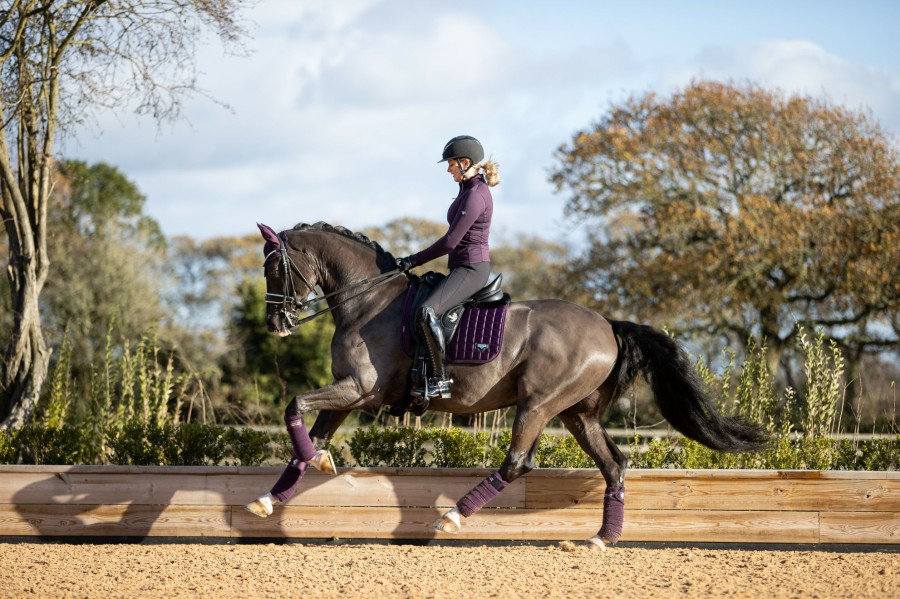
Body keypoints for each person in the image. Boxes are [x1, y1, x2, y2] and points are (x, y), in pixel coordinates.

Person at [395, 135, 501, 403]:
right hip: (461, 267)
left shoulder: (475, 195)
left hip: (471, 269)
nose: (448, 169)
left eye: (451, 163)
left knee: (426, 311)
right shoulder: (467, 189)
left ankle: (439, 379)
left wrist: (412, 260)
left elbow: (451, 241)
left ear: (465, 163)